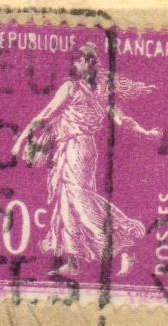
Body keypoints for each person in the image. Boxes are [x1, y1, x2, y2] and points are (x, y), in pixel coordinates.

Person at [10, 42, 160, 269]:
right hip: (73, 149)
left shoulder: (74, 89)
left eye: (80, 59)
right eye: (75, 60)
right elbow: (49, 115)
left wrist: (20, 141)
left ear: (91, 62)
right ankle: (73, 260)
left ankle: (125, 244)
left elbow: (46, 114)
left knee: (80, 199)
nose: (75, 64)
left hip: (77, 149)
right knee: (66, 201)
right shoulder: (93, 93)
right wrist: (146, 132)